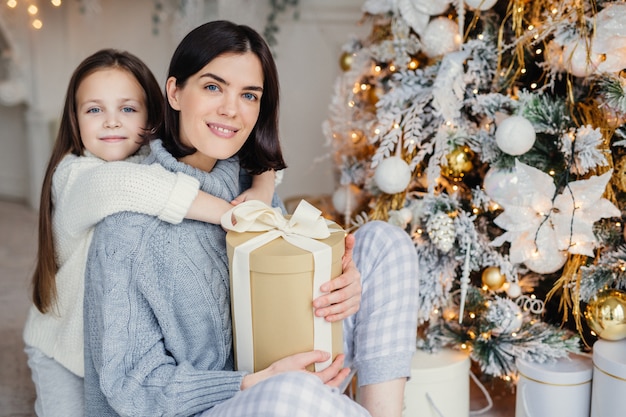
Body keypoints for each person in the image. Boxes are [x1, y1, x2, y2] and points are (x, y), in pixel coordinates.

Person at [83, 21, 419, 417]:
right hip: (206, 405)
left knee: (386, 242)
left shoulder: (251, 183)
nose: (231, 108)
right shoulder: (127, 226)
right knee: (290, 393)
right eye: (213, 87)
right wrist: (252, 382)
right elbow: (132, 386)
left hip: (288, 376)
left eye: (248, 95)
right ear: (174, 92)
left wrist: (341, 287)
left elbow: (283, 297)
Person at [23, 48, 277, 417]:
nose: (112, 122)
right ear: (75, 121)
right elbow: (130, 187)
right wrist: (234, 215)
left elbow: (247, 156)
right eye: (94, 110)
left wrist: (262, 186)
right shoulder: (75, 174)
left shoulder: (146, 159)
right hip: (62, 346)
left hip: (114, 339)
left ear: (152, 116)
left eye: (128, 109)